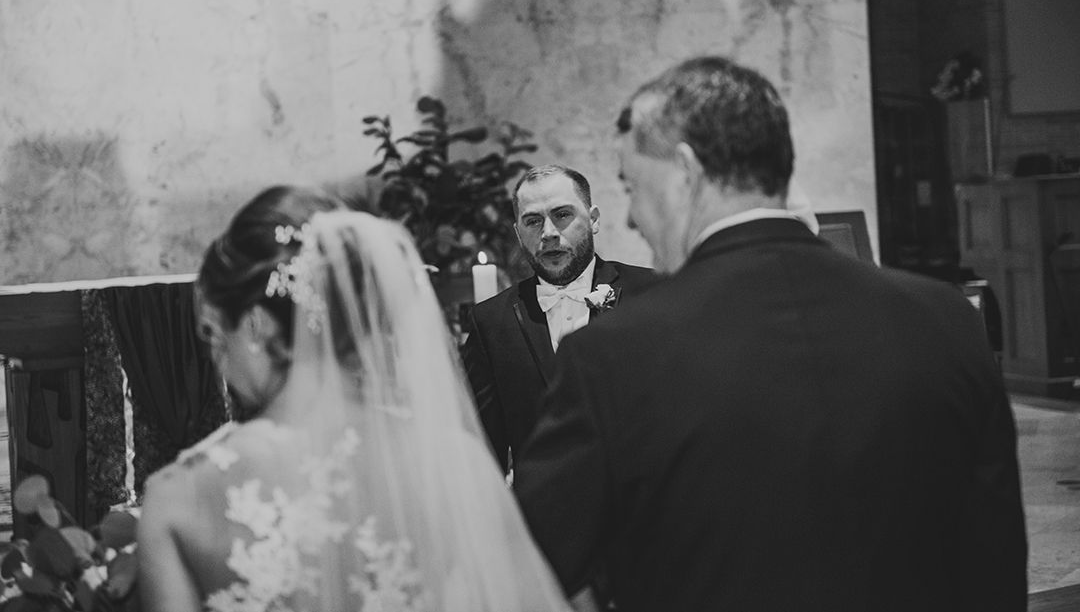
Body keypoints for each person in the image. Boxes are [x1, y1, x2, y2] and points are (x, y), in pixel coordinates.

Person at [514, 57, 1028, 611]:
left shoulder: (612, 354)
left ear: (685, 173)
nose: (634, 219)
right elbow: (992, 560)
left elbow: (533, 566)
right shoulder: (945, 319)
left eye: (632, 187)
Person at [137, 185, 571, 612]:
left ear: (254, 326)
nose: (220, 360)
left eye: (215, 334)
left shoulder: (177, 498)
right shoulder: (452, 462)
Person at [463, 165, 656, 475]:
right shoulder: (490, 323)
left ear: (593, 219)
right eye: (533, 221)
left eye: (562, 215)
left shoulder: (650, 293)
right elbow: (484, 451)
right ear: (518, 232)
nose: (549, 233)